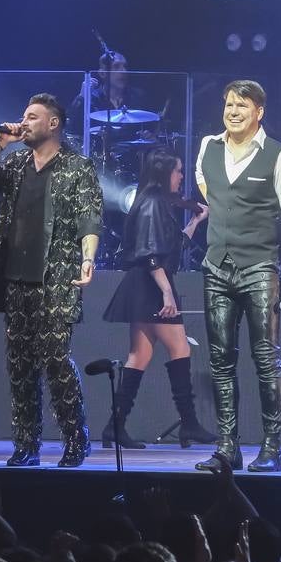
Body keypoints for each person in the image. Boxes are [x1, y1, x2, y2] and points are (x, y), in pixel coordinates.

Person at [0, 94, 103, 467]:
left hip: (55, 280)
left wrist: (88, 259)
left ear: (53, 123)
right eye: (23, 116)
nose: (23, 122)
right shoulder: (15, 164)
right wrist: (0, 143)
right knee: (20, 366)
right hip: (16, 281)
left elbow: (89, 216)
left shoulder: (77, 167)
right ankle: (27, 445)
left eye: (32, 117)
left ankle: (76, 440)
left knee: (57, 361)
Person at [193, 80, 281, 473]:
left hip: (260, 267)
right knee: (220, 360)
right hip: (216, 266)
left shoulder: (280, 155)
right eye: (229, 104)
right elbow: (205, 184)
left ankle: (271, 447)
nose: (233, 112)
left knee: (266, 359)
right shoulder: (208, 146)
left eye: (242, 106)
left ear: (259, 112)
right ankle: (227, 447)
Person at [99, 149, 215, 449]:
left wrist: (196, 221)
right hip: (152, 285)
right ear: (165, 173)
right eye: (178, 171)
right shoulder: (152, 203)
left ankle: (115, 426)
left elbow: (172, 246)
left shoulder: (155, 202)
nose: (181, 177)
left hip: (145, 284)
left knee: (139, 355)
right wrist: (166, 291)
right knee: (179, 348)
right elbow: (150, 255)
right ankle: (189, 423)